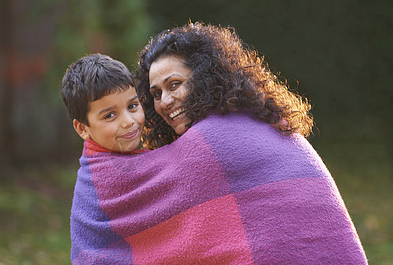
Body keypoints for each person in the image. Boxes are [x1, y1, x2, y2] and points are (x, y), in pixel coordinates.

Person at [132, 22, 368, 264]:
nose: (165, 101)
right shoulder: (273, 124)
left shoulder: (208, 141)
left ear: (205, 78)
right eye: (156, 94)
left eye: (174, 85)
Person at [61, 53, 147, 264]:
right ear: (82, 128)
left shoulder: (151, 150)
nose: (128, 121)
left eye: (132, 106)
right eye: (110, 115)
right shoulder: (99, 178)